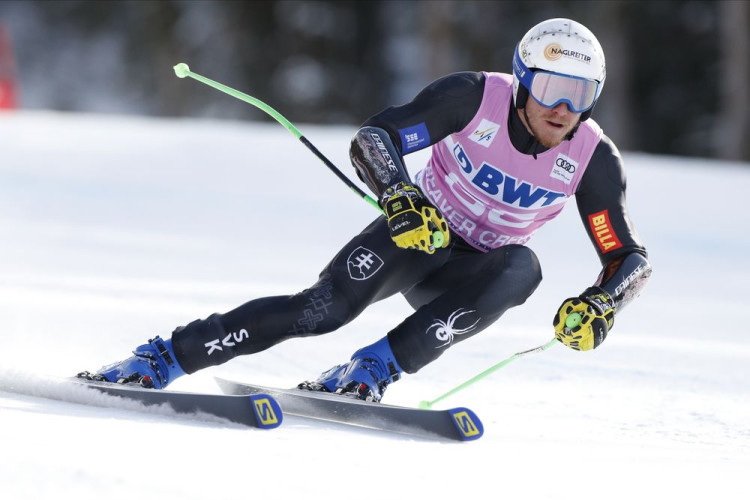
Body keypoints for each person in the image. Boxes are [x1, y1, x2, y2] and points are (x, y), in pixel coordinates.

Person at [83, 18, 652, 402]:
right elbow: (377, 138)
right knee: (319, 311)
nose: (562, 109)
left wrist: (604, 302)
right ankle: (163, 359)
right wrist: (401, 198)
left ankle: (371, 368)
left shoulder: (591, 158)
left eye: (580, 95)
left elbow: (625, 256)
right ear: (524, 79)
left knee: (522, 266)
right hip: (416, 239)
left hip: (467, 276)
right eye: (552, 87)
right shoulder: (473, 97)